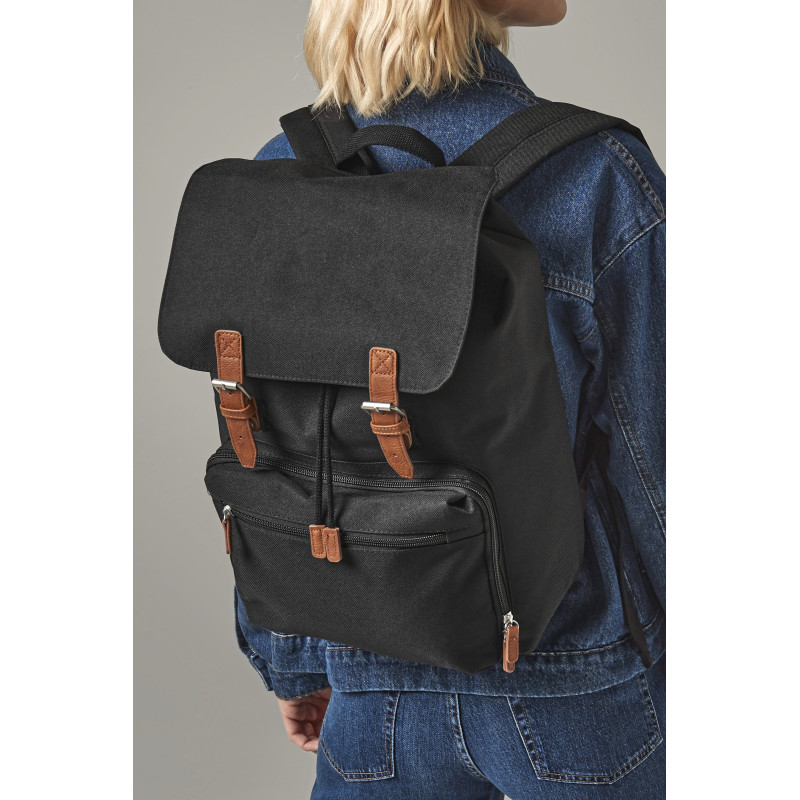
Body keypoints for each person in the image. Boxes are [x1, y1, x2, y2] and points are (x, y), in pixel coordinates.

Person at [236, 1, 665, 797]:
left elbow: (274, 448)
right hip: (574, 672)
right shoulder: (595, 173)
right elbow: (656, 461)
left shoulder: (282, 168)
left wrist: (293, 658)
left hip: (368, 679)